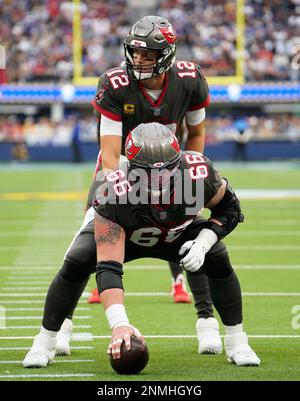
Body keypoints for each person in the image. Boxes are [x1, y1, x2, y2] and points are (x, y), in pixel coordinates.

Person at [22, 15, 221, 367]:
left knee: (193, 236)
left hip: (173, 169)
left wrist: (190, 173)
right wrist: (120, 189)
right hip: (122, 170)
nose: (138, 59)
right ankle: (61, 327)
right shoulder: (115, 84)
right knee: (84, 246)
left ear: (166, 54)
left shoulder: (189, 80)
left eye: (147, 54)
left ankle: (207, 322)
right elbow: (111, 152)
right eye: (135, 52)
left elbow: (197, 135)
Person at [23, 123, 260, 367]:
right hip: (127, 234)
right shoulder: (112, 189)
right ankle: (45, 342)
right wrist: (119, 324)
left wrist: (203, 242)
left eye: (166, 171)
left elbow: (229, 208)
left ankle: (237, 342)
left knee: (217, 255)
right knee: (79, 258)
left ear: (178, 163)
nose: (158, 180)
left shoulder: (197, 172)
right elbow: (109, 266)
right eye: (148, 173)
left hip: (176, 232)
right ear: (131, 168)